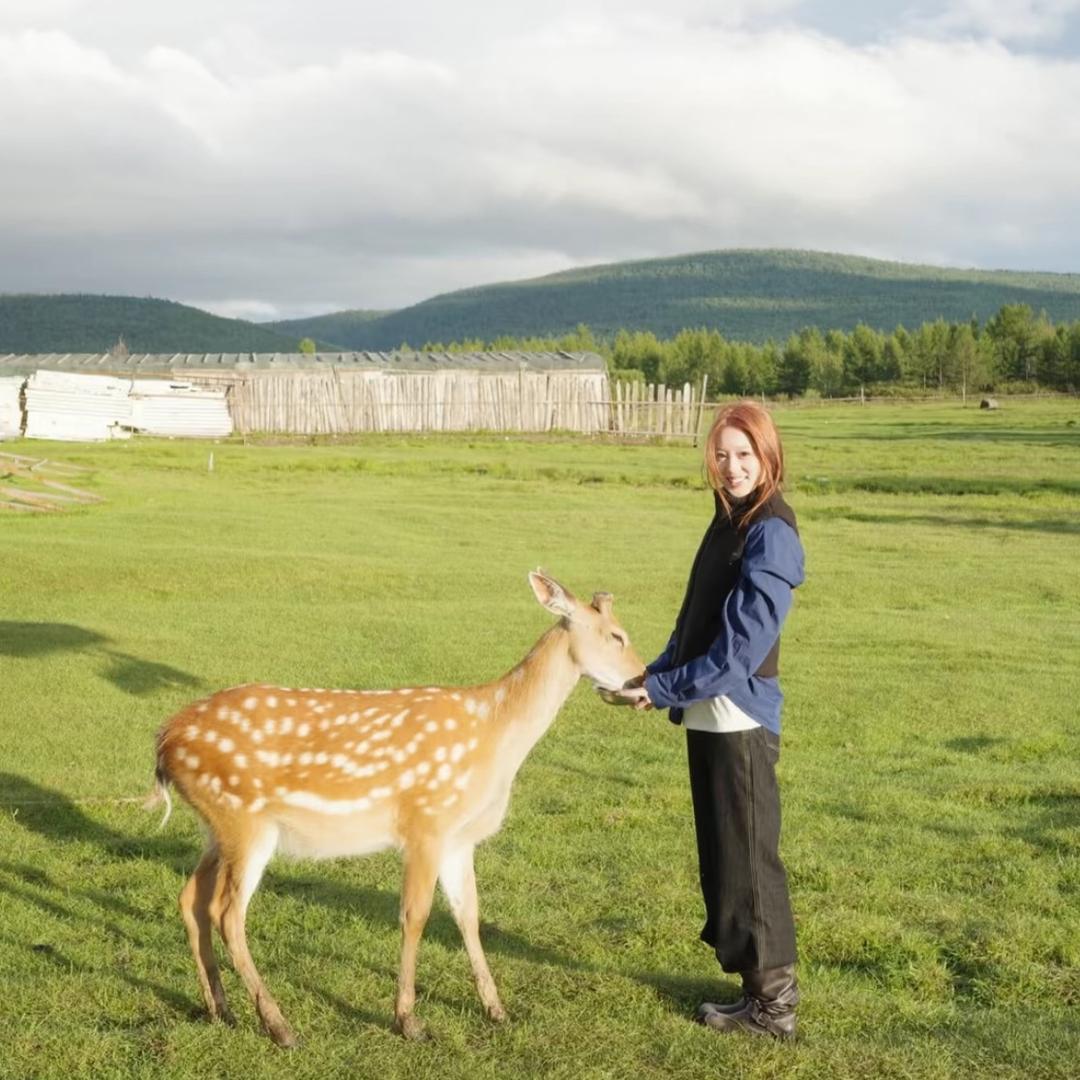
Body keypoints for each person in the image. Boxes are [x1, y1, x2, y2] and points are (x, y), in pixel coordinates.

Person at [608, 400, 805, 1040]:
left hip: (739, 717)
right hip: (708, 713)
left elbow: (738, 653)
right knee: (725, 861)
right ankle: (753, 989)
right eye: (721, 454)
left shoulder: (771, 531)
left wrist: (665, 688)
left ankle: (775, 1009)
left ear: (768, 456)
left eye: (744, 454)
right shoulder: (727, 520)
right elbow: (695, 621)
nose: (731, 465)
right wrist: (654, 674)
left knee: (750, 862)